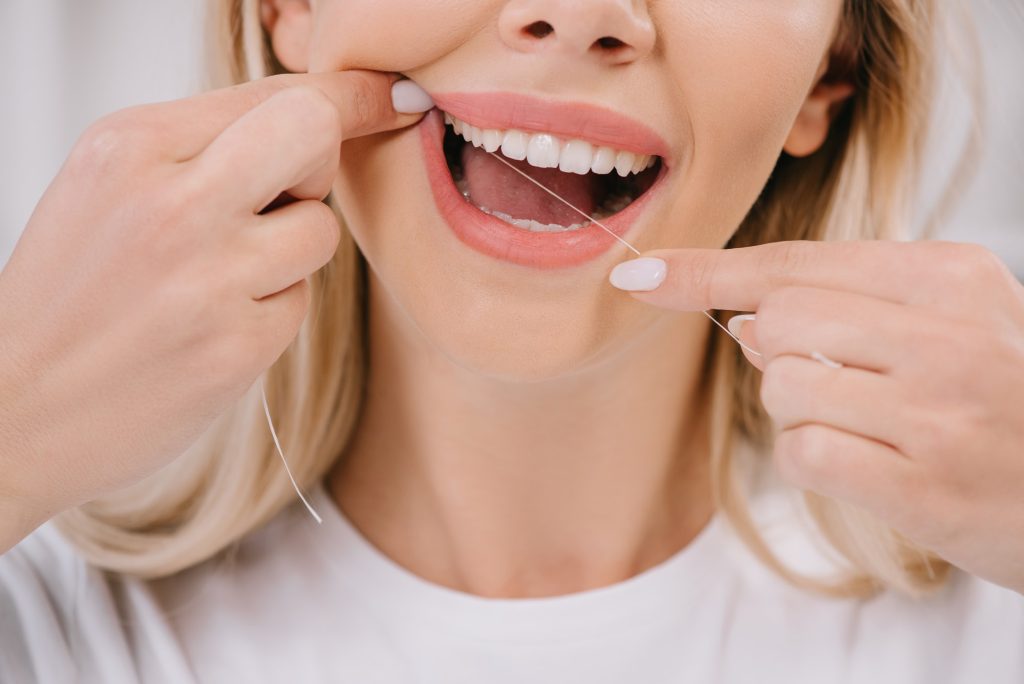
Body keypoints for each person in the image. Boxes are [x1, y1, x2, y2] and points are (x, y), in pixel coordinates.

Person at [2, 0, 1023, 682]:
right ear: (293, 7)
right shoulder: (46, 613)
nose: (580, 14)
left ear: (825, 73)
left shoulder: (989, 605)